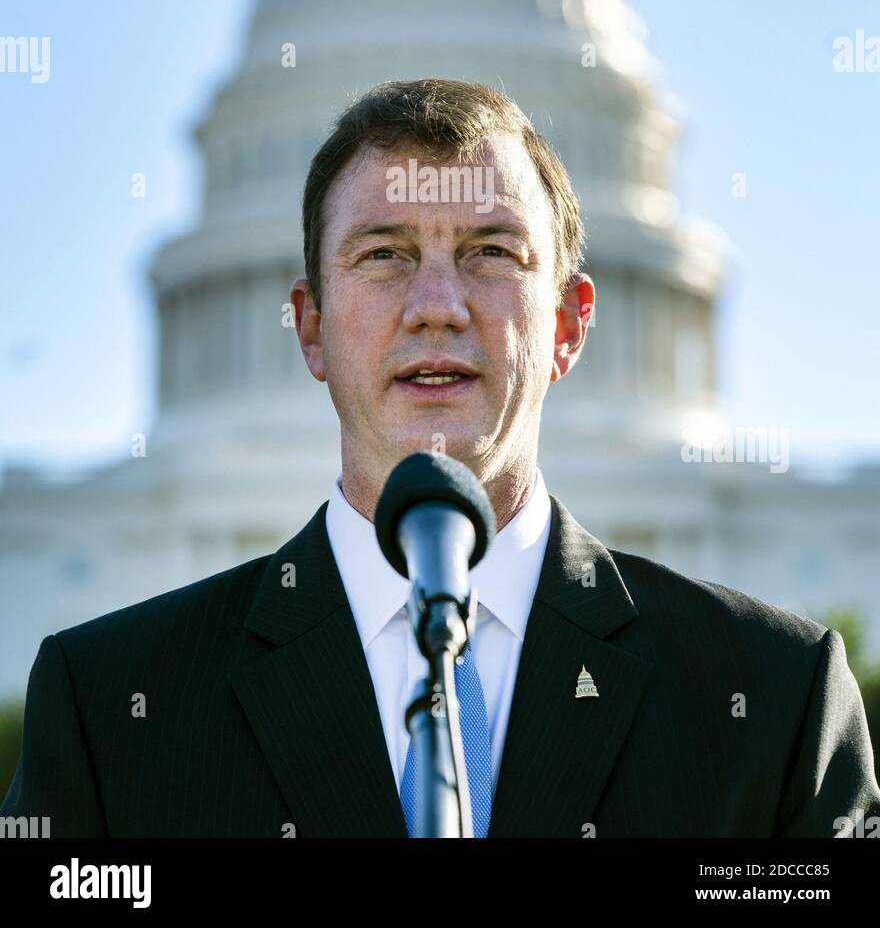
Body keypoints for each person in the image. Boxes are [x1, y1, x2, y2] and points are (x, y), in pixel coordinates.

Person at [3, 77, 878, 837]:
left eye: (490, 253)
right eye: (384, 255)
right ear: (307, 327)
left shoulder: (773, 699)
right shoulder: (111, 708)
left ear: (571, 324)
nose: (436, 306)